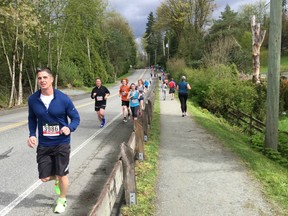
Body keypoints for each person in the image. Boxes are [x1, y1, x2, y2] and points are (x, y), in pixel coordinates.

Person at [27, 67, 80, 214]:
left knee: (63, 174)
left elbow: (76, 118)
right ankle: (57, 177)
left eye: (45, 77)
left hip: (62, 142)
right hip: (44, 144)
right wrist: (32, 134)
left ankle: (62, 200)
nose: (42, 80)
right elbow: (32, 118)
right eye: (39, 78)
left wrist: (69, 128)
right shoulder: (33, 99)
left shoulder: (63, 98)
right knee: (43, 177)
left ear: (51, 79)